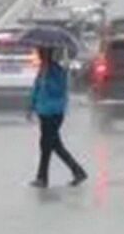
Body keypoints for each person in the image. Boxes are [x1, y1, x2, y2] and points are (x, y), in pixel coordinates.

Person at [29, 46, 87, 188]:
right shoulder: (42, 70)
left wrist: (47, 81)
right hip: (43, 111)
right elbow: (36, 89)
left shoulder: (57, 71)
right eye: (40, 53)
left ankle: (43, 178)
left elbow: (59, 90)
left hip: (54, 112)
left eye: (43, 53)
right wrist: (31, 106)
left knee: (47, 144)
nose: (41, 56)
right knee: (52, 145)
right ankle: (77, 171)